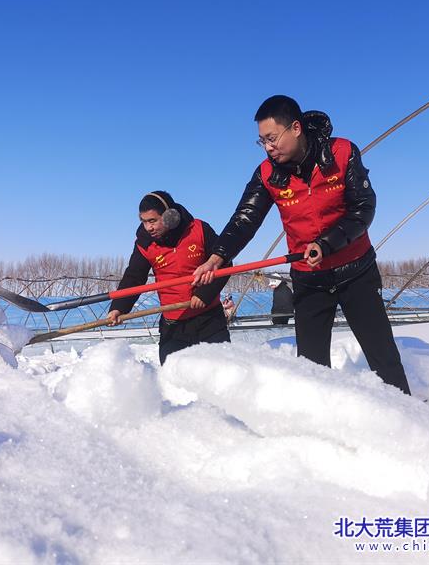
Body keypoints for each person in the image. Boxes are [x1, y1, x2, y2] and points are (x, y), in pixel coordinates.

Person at [193, 95, 411, 394]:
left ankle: (403, 417)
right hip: (309, 279)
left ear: (295, 128)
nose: (268, 147)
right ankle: (319, 428)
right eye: (262, 141)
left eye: (271, 138)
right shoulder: (268, 173)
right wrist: (218, 256)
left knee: (382, 355)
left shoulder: (341, 152)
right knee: (311, 366)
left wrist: (327, 243)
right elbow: (245, 219)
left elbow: (363, 208)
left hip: (356, 271)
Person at [108, 191, 231, 365]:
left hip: (209, 320)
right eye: (143, 221)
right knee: (174, 383)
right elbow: (134, 277)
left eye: (153, 221)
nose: (148, 227)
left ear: (170, 216)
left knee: (222, 373)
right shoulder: (145, 243)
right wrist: (119, 307)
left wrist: (204, 294)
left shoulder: (199, 230)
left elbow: (225, 263)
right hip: (173, 326)